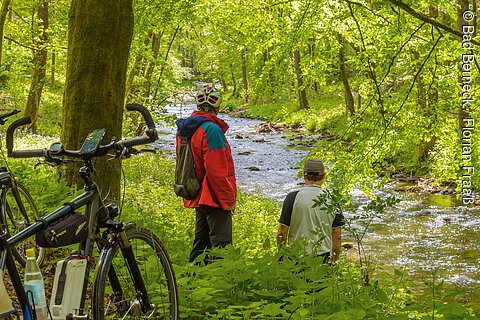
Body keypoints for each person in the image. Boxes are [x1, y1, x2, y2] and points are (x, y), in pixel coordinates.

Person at [175, 85, 236, 263]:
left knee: (200, 246)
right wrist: (228, 201)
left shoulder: (185, 129)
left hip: (197, 194)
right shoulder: (212, 130)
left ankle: (192, 283)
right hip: (214, 198)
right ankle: (221, 287)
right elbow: (217, 172)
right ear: (217, 108)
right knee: (222, 248)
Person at [276, 159, 344, 263]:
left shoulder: (292, 198)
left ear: (304, 176)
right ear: (324, 176)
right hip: (322, 258)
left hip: (295, 256)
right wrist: (334, 260)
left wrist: (280, 257)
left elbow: (282, 232)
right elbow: (337, 235)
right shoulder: (333, 200)